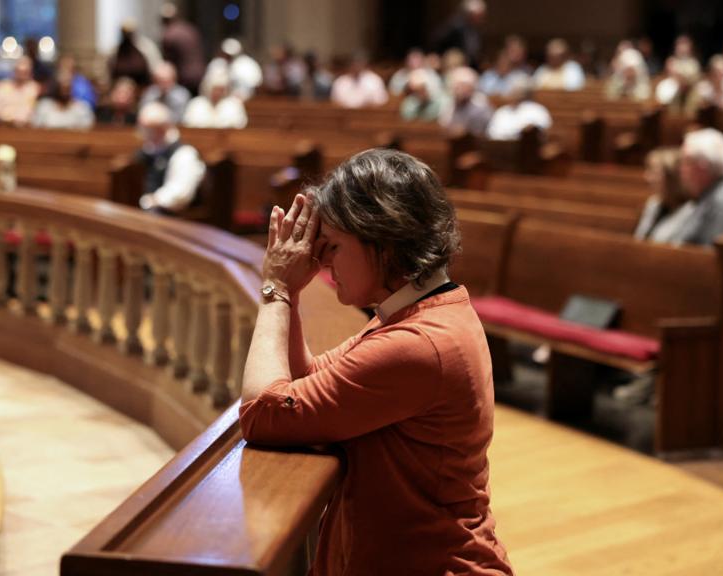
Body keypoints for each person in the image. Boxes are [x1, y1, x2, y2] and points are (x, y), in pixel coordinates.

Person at [239, 148, 514, 575]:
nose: (323, 261)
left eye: (333, 246)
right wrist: (290, 294)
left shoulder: (420, 343)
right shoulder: (418, 313)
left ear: (382, 239)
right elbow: (309, 380)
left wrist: (274, 286)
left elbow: (261, 413)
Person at [671, 128, 723, 245]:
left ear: (702, 166)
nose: (680, 169)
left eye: (686, 162)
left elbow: (711, 256)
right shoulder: (710, 193)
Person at [135, 102, 207, 215]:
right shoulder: (148, 150)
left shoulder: (184, 154)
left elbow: (180, 195)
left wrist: (151, 200)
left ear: (163, 128)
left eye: (148, 129)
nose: (142, 133)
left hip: (173, 220)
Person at [634, 148, 692, 242]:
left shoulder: (690, 211)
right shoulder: (653, 204)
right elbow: (639, 240)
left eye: (654, 172)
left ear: (672, 178)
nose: (646, 177)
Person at [159, 3, 205, 94]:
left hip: (184, 78)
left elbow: (169, 63)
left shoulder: (168, 35)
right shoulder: (190, 29)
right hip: (200, 74)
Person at [487, 75, 551, 140]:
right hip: (501, 147)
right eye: (510, 91)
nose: (511, 94)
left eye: (514, 91)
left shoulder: (537, 110)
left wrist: (528, 130)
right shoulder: (501, 111)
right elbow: (492, 133)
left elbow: (542, 131)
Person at [0, 57, 41, 125]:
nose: (21, 76)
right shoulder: (2, 86)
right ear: (13, 72)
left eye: (25, 72)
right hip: (1, 126)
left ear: (30, 73)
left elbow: (33, 112)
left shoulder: (34, 88)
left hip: (25, 128)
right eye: (19, 72)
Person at [431, 0, 487, 68]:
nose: (481, 19)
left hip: (469, 65)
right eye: (478, 16)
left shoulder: (476, 29)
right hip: (454, 65)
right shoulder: (454, 27)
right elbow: (437, 42)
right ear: (468, 14)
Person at [183, 71, 248, 128]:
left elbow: (239, 125)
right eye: (215, 89)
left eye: (220, 90)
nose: (217, 93)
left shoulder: (234, 105)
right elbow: (188, 125)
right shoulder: (196, 104)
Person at [440, 66, 492, 136]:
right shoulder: (450, 105)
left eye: (462, 86)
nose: (458, 90)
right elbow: (443, 125)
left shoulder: (481, 106)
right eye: (455, 86)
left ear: (472, 88)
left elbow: (478, 131)